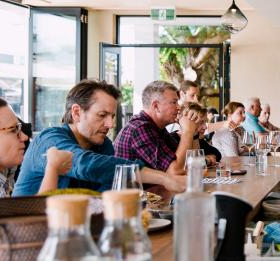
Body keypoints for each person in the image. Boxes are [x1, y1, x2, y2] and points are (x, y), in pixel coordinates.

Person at [13, 80, 186, 196]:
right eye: (102, 115)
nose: (110, 124)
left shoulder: (104, 146)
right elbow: (85, 164)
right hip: (25, 240)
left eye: (111, 116)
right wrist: (164, 178)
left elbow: (105, 194)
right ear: (76, 112)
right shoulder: (49, 139)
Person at [114, 80, 202, 175]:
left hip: (155, 189)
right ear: (156, 106)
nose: (179, 107)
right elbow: (175, 171)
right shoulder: (139, 129)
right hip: (136, 190)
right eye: (174, 102)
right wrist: (187, 131)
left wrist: (194, 132)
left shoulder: (158, 128)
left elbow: (190, 163)